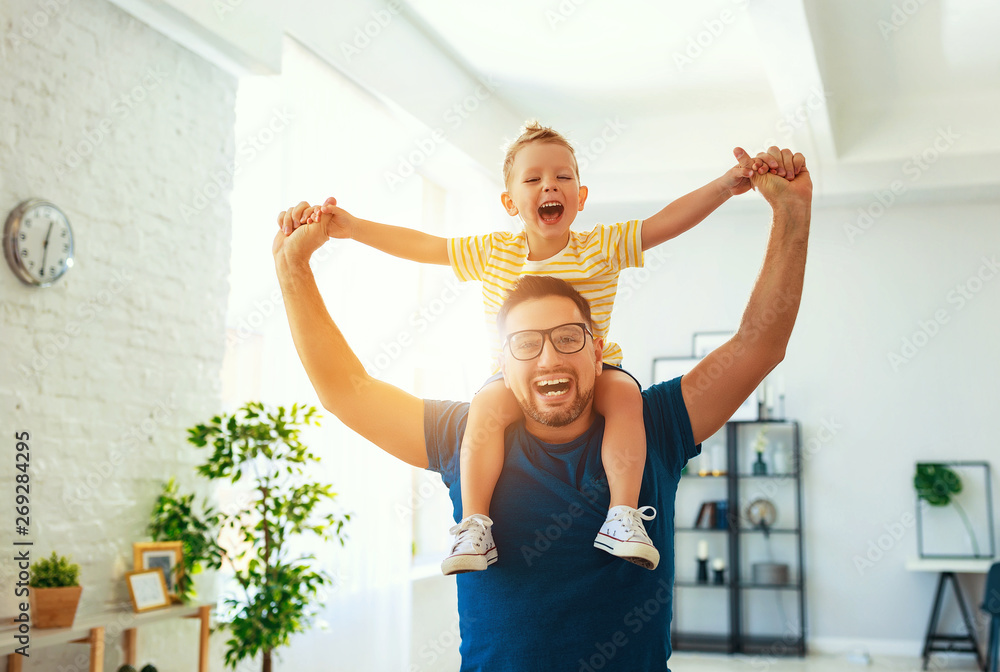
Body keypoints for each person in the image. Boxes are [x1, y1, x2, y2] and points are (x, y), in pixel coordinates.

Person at [272, 145, 811, 670]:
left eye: (569, 337)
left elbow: (757, 346)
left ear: (598, 348)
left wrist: (790, 210)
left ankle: (623, 520)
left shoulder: (653, 426)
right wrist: (295, 266)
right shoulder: (463, 434)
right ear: (501, 360)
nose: (549, 356)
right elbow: (348, 390)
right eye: (526, 342)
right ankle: (475, 527)